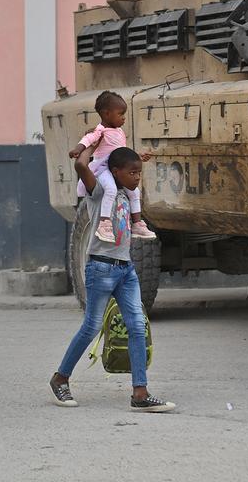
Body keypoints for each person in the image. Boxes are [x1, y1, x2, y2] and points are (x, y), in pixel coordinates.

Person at [50, 144, 176, 413]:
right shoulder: (99, 192)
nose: (137, 177)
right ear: (114, 171)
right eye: (131, 172)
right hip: (101, 269)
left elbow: (130, 174)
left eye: (138, 172)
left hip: (126, 269)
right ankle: (60, 378)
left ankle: (140, 393)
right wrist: (90, 145)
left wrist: (137, 160)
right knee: (92, 327)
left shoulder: (128, 193)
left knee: (137, 327)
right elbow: (82, 166)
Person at [68, 91, 157, 243]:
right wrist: (78, 149)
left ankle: (137, 224)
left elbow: (120, 152)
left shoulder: (119, 131)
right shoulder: (100, 131)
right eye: (120, 114)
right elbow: (88, 139)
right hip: (104, 167)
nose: (123, 118)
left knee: (135, 192)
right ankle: (104, 223)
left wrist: (136, 156)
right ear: (106, 114)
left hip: (117, 166)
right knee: (110, 189)